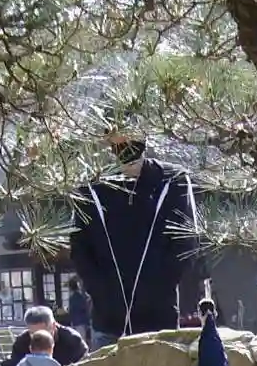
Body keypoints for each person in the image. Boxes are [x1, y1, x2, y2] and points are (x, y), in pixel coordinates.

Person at [66, 131, 204, 349]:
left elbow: (186, 242)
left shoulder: (172, 180)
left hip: (158, 318)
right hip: (108, 320)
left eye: (130, 134)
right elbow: (80, 247)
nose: (124, 142)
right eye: (116, 135)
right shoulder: (91, 186)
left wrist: (159, 287)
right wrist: (100, 292)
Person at [8, 304, 86, 366]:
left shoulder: (72, 340)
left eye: (44, 333)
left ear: (54, 326)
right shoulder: (21, 343)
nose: (40, 340)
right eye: (34, 334)